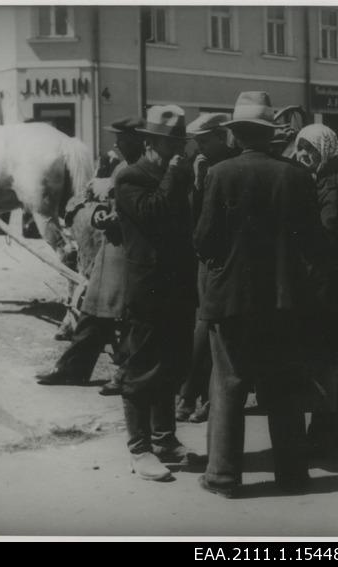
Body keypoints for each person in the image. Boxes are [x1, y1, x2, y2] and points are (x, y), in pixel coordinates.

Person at [194, 91, 323, 497]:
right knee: (284, 387)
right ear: (269, 135)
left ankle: (224, 476)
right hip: (285, 300)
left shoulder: (220, 174)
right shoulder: (297, 176)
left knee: (229, 385)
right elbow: (315, 243)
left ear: (235, 134)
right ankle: (292, 475)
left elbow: (204, 240)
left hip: (232, 297)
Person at [113, 106, 198, 481]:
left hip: (178, 286)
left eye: (179, 141)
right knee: (141, 368)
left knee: (172, 365)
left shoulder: (174, 174)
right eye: (169, 142)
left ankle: (164, 439)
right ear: (150, 142)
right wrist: (177, 176)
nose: (177, 149)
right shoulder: (132, 177)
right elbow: (155, 214)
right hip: (147, 288)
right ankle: (139, 449)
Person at [35, 117, 145, 392]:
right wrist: (101, 214)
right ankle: (72, 369)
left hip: (130, 254)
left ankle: (126, 374)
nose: (117, 143)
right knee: (92, 312)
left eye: (122, 137)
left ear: (138, 138)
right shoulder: (122, 167)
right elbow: (110, 204)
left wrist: (114, 217)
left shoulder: (143, 169)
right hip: (110, 251)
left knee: (128, 317)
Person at [176, 112, 238, 423]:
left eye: (204, 141)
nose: (199, 147)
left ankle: (202, 398)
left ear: (219, 137)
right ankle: (192, 395)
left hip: (226, 257)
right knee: (205, 325)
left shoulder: (231, 164)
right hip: (206, 256)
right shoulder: (198, 166)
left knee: (213, 326)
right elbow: (193, 214)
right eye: (196, 142)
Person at [293, 123, 338, 454]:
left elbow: (327, 234)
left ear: (324, 152)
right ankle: (325, 424)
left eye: (310, 150)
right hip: (315, 277)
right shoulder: (317, 181)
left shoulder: (334, 185)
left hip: (325, 282)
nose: (303, 155)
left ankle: (327, 426)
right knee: (317, 354)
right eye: (300, 148)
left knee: (324, 355)